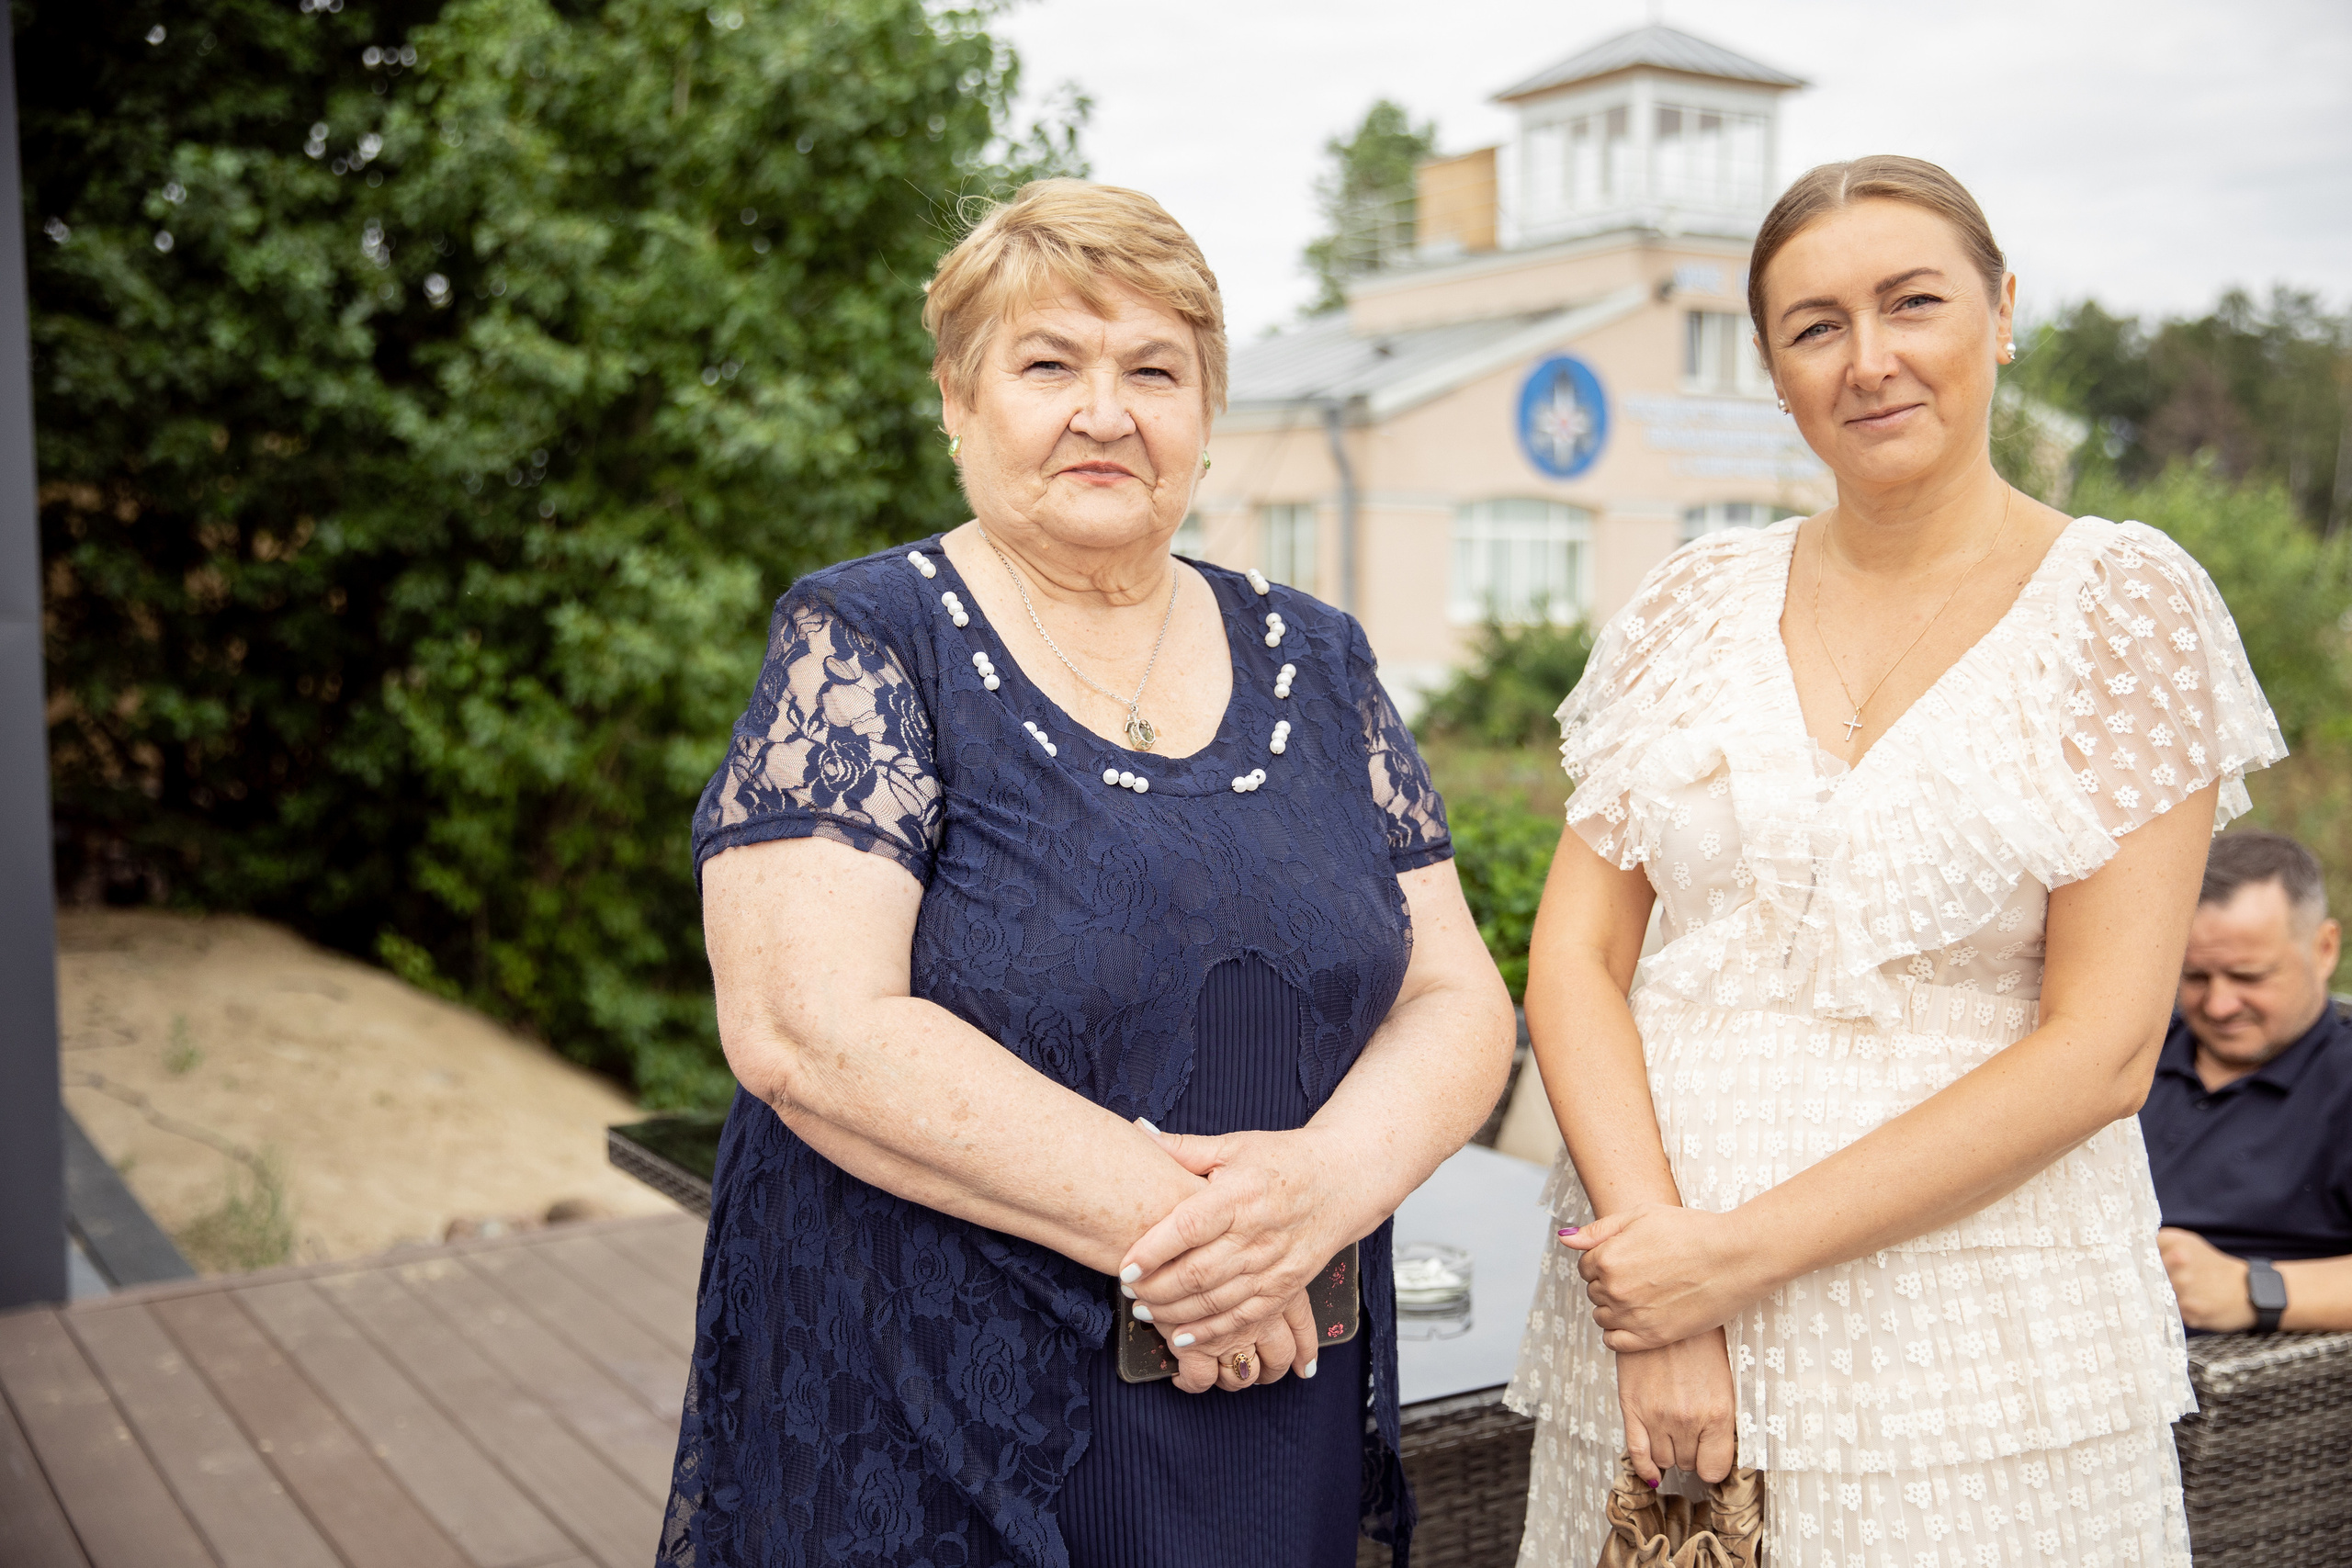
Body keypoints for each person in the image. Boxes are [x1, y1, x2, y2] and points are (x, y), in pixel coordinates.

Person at [657, 179, 1516, 1568]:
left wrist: (1322, 1193)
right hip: (943, 1397)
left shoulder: (1324, 655)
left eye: (1154, 370)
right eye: (1048, 363)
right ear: (958, 399)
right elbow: (807, 1028)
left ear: (1207, 413)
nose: (1105, 411)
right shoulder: (869, 639)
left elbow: (1458, 992)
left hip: (1266, 1381)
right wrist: (1220, 1248)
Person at [1504, 154, 2287, 1567]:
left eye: (1910, 302)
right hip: (1652, 1306)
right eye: (1815, 326)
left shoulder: (2126, 605)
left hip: (1975, 1334)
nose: (1869, 360)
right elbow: (1574, 956)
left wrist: (1729, 1262)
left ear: (2000, 312)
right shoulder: (1690, 599)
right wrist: (1661, 1269)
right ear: (1775, 369)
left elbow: (2105, 1048)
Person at [2143, 829, 2352, 1333]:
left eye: (2249, 977)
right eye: (2194, 977)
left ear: (2324, 949)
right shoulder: (2136, 1052)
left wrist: (2255, 1288)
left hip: (2258, 1394)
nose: (2218, 1006)